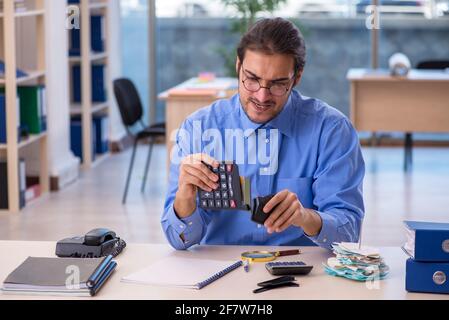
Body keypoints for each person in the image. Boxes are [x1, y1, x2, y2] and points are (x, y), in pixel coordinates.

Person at [161, 17, 365, 250]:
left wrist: (305, 217)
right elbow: (178, 239)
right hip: (219, 272)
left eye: (277, 84)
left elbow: (349, 233)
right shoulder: (199, 128)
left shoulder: (332, 131)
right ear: (238, 67)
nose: (261, 96)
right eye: (252, 79)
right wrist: (185, 198)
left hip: (300, 273)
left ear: (296, 77)